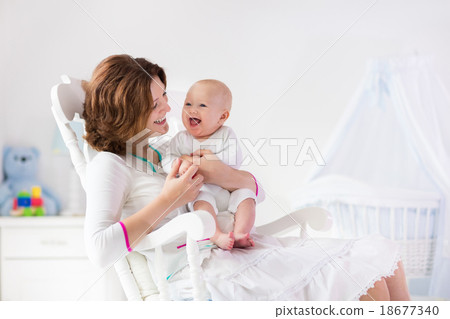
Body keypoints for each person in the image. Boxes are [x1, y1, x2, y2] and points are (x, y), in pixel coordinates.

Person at [82, 54, 410, 301]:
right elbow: (98, 250)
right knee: (365, 283)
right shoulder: (110, 165)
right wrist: (171, 199)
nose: (168, 107)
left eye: (165, 96)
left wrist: (231, 177)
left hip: (222, 250)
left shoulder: (161, 152)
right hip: (197, 271)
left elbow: (249, 189)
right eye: (156, 103)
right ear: (127, 110)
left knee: (386, 265)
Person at [162, 79, 260, 250]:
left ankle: (241, 232)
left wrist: (206, 162)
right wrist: (180, 163)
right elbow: (167, 159)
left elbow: (234, 160)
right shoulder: (180, 139)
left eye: (202, 105)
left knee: (247, 195)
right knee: (200, 199)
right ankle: (216, 235)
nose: (192, 109)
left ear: (222, 116)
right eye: (188, 103)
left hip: (228, 190)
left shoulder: (225, 134)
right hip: (202, 189)